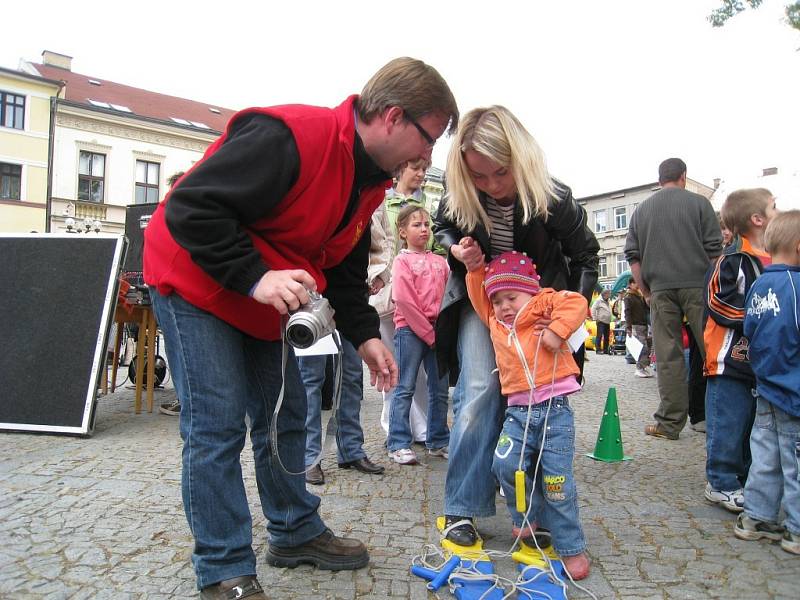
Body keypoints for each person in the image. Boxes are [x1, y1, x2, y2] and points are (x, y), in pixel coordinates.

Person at [142, 57, 458, 599]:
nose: (428, 157)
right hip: (194, 280)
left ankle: (293, 531)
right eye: (428, 140)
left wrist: (367, 336)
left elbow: (343, 272)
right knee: (216, 425)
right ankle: (223, 568)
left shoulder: (370, 186)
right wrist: (255, 277)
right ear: (392, 117)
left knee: (284, 416)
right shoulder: (291, 137)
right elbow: (190, 209)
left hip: (263, 296)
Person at [433, 105, 599, 546]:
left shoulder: (554, 196)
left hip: (540, 305)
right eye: (479, 177)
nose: (491, 186)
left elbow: (586, 257)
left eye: (500, 173)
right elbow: (441, 226)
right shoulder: (460, 189)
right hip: (481, 299)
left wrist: (571, 314)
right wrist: (457, 250)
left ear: (520, 160)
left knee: (536, 401)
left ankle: (534, 511)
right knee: (480, 390)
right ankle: (462, 507)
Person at [465, 250, 591, 579]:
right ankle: (526, 516)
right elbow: (480, 293)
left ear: (529, 291)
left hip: (554, 411)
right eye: (498, 300)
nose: (504, 306)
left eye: (511, 297)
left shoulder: (542, 302)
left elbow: (577, 302)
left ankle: (571, 547)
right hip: (518, 411)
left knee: (556, 482)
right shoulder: (494, 319)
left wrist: (557, 330)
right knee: (505, 465)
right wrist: (474, 268)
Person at [624, 158, 722, 440]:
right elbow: (714, 252)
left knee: (668, 355)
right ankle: (724, 419)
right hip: (698, 286)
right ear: (683, 177)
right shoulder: (700, 204)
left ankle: (669, 424)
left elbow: (634, 258)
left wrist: (645, 291)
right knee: (713, 353)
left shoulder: (642, 210)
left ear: (659, 180)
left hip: (661, 289)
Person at [703, 188, 776, 512]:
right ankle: (720, 481)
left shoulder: (782, 261)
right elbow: (719, 302)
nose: (780, 211)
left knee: (752, 426)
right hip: (728, 360)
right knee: (728, 421)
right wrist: (760, 319)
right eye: (775, 207)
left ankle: (747, 478)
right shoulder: (732, 261)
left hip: (763, 363)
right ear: (757, 219)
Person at [738, 210, 800, 555]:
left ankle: (757, 517)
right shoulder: (796, 285)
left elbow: (750, 330)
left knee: (765, 455)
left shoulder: (760, 283)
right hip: (794, 389)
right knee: (795, 462)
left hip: (765, 387)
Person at [369, 159, 441, 444]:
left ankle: (421, 426)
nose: (422, 174)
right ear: (400, 170)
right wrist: (376, 275)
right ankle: (394, 424)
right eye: (416, 169)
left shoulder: (429, 207)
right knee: (393, 364)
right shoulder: (382, 203)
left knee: (421, 371)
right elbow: (374, 244)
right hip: (389, 294)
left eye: (425, 169)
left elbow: (436, 248)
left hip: (423, 296)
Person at [386, 205, 450, 464]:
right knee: (404, 387)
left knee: (440, 390)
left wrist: (443, 331)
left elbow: (448, 295)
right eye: (416, 225)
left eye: (427, 225)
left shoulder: (440, 262)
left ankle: (438, 439)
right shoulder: (401, 261)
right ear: (402, 231)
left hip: (438, 332)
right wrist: (428, 332)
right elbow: (404, 299)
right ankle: (398, 442)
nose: (424, 229)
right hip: (410, 331)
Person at [297, 336, 385, 486]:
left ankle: (351, 449)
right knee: (310, 379)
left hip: (347, 314)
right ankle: (311, 456)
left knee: (351, 375)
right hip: (313, 312)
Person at [623, 279, 652, 377]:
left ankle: (643, 367)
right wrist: (628, 327)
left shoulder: (639, 296)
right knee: (641, 347)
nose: (637, 285)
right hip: (635, 325)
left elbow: (647, 308)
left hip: (643, 325)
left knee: (647, 347)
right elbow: (627, 312)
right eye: (635, 283)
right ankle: (639, 368)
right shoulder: (628, 297)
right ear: (631, 284)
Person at [591, 289, 612, 354]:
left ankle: (605, 350)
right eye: (609, 294)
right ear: (605, 294)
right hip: (601, 321)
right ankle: (598, 349)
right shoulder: (599, 301)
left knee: (606, 336)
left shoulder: (607, 301)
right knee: (599, 335)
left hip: (607, 321)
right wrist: (595, 318)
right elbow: (593, 309)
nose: (610, 295)